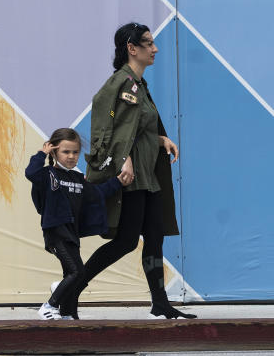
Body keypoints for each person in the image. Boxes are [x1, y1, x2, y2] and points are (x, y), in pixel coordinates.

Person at [72, 22, 195, 319]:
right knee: (126, 240)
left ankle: (160, 303)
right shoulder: (118, 83)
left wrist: (160, 139)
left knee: (155, 236)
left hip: (148, 174)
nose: (155, 49)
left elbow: (134, 130)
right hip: (132, 176)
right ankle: (69, 291)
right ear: (132, 48)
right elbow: (103, 130)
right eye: (149, 43)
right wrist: (120, 157)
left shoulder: (139, 85)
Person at [25, 128, 127, 320]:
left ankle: (68, 314)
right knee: (77, 272)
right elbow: (31, 172)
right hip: (56, 231)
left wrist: (117, 182)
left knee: (72, 273)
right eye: (66, 152)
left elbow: (97, 194)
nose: (71, 156)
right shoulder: (47, 175)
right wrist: (41, 153)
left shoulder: (78, 179)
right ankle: (49, 305)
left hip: (72, 233)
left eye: (75, 152)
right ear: (54, 152)